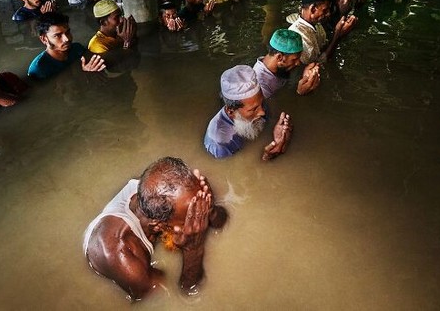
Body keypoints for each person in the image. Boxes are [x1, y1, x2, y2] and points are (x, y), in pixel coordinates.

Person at [83, 157, 227, 300]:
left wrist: (210, 206)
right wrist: (194, 248)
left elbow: (220, 223)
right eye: (192, 217)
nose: (199, 215)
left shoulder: (159, 190)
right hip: (111, 253)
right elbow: (180, 295)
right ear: (160, 225)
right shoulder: (122, 257)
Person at [203, 65, 293, 160]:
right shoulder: (220, 144)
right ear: (231, 111)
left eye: (261, 103)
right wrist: (266, 158)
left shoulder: (257, 104)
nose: (262, 112)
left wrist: (281, 136)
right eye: (253, 109)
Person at [288, 0, 357, 64]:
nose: (328, 14)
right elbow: (315, 66)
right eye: (325, 10)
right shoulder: (297, 36)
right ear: (313, 9)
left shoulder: (317, 24)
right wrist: (337, 35)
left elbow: (324, 48)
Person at [28, 12, 106, 79]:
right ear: (44, 39)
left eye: (67, 32)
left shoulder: (77, 49)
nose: (66, 39)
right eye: (57, 35)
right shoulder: (39, 69)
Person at [253, 29, 320, 98]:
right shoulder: (259, 85)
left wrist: (304, 73)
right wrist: (300, 93)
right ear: (279, 57)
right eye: (294, 59)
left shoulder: (280, 68)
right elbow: (276, 107)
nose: (298, 63)